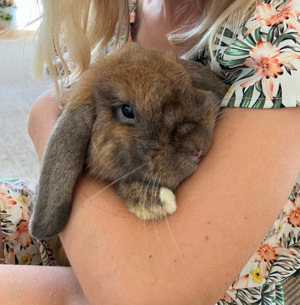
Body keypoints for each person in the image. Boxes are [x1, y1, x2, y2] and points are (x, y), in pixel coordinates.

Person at [1, 0, 300, 304]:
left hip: (210, 280)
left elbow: (143, 296)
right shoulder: (133, 9)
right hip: (106, 217)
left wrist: (45, 124)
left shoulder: (282, 31)